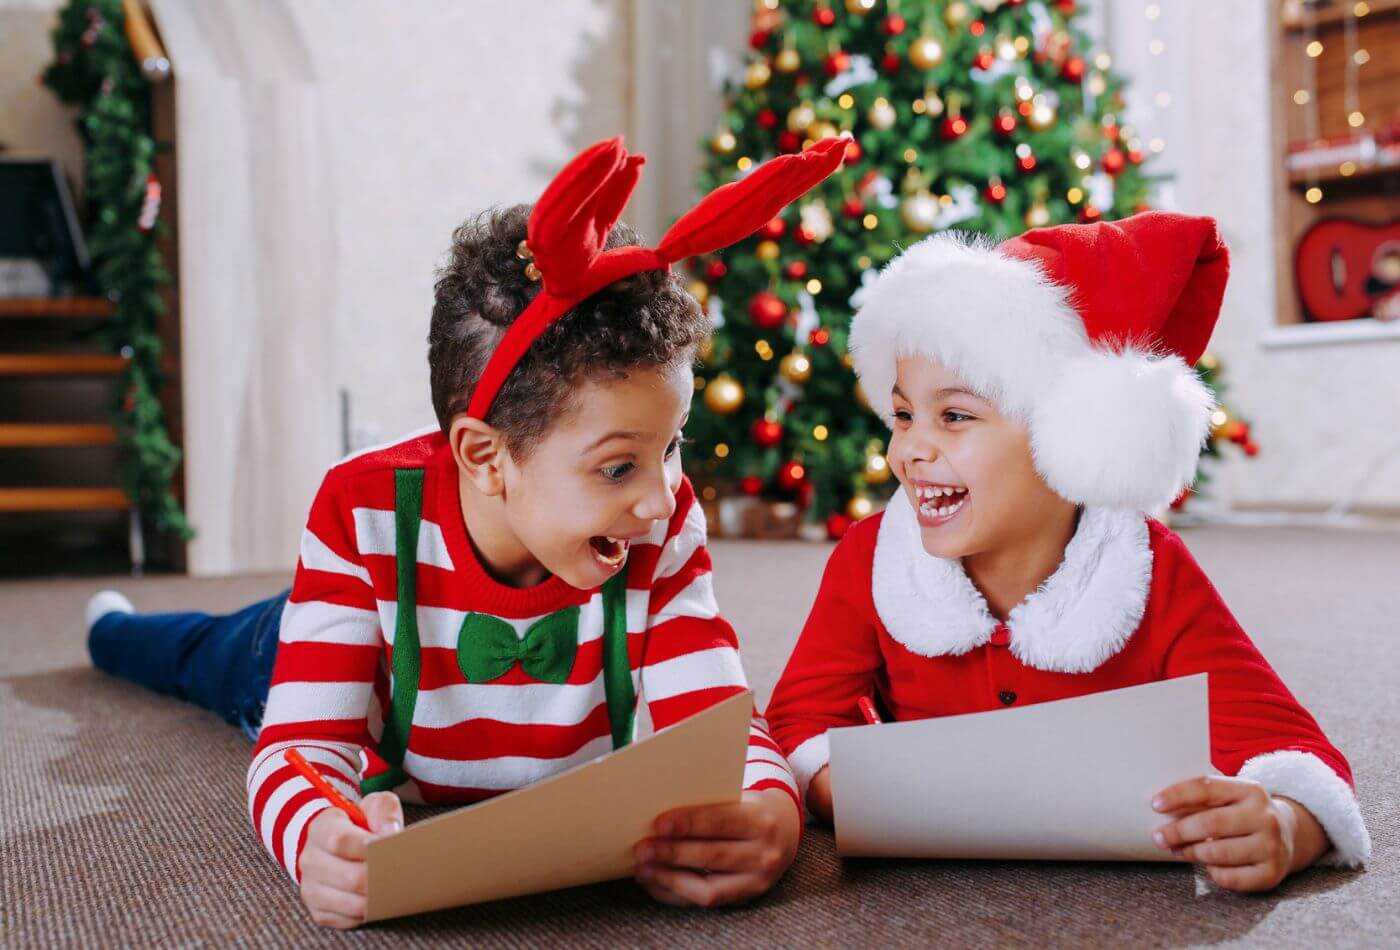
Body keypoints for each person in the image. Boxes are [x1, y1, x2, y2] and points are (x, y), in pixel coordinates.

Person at [88, 136, 847, 926]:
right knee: (193, 653)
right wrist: (318, 832)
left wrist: (773, 810)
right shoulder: (363, 507)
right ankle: (112, 628)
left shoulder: (660, 514)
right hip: (343, 635)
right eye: (619, 467)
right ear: (485, 455)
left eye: (674, 443)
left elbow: (724, 724)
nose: (662, 500)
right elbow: (299, 749)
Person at [765, 212, 1371, 891]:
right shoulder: (874, 555)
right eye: (904, 415)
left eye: (955, 416)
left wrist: (1286, 826)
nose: (908, 449)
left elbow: (1293, 750)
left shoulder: (1148, 570)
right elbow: (800, 718)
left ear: (1067, 436)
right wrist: (840, 790)